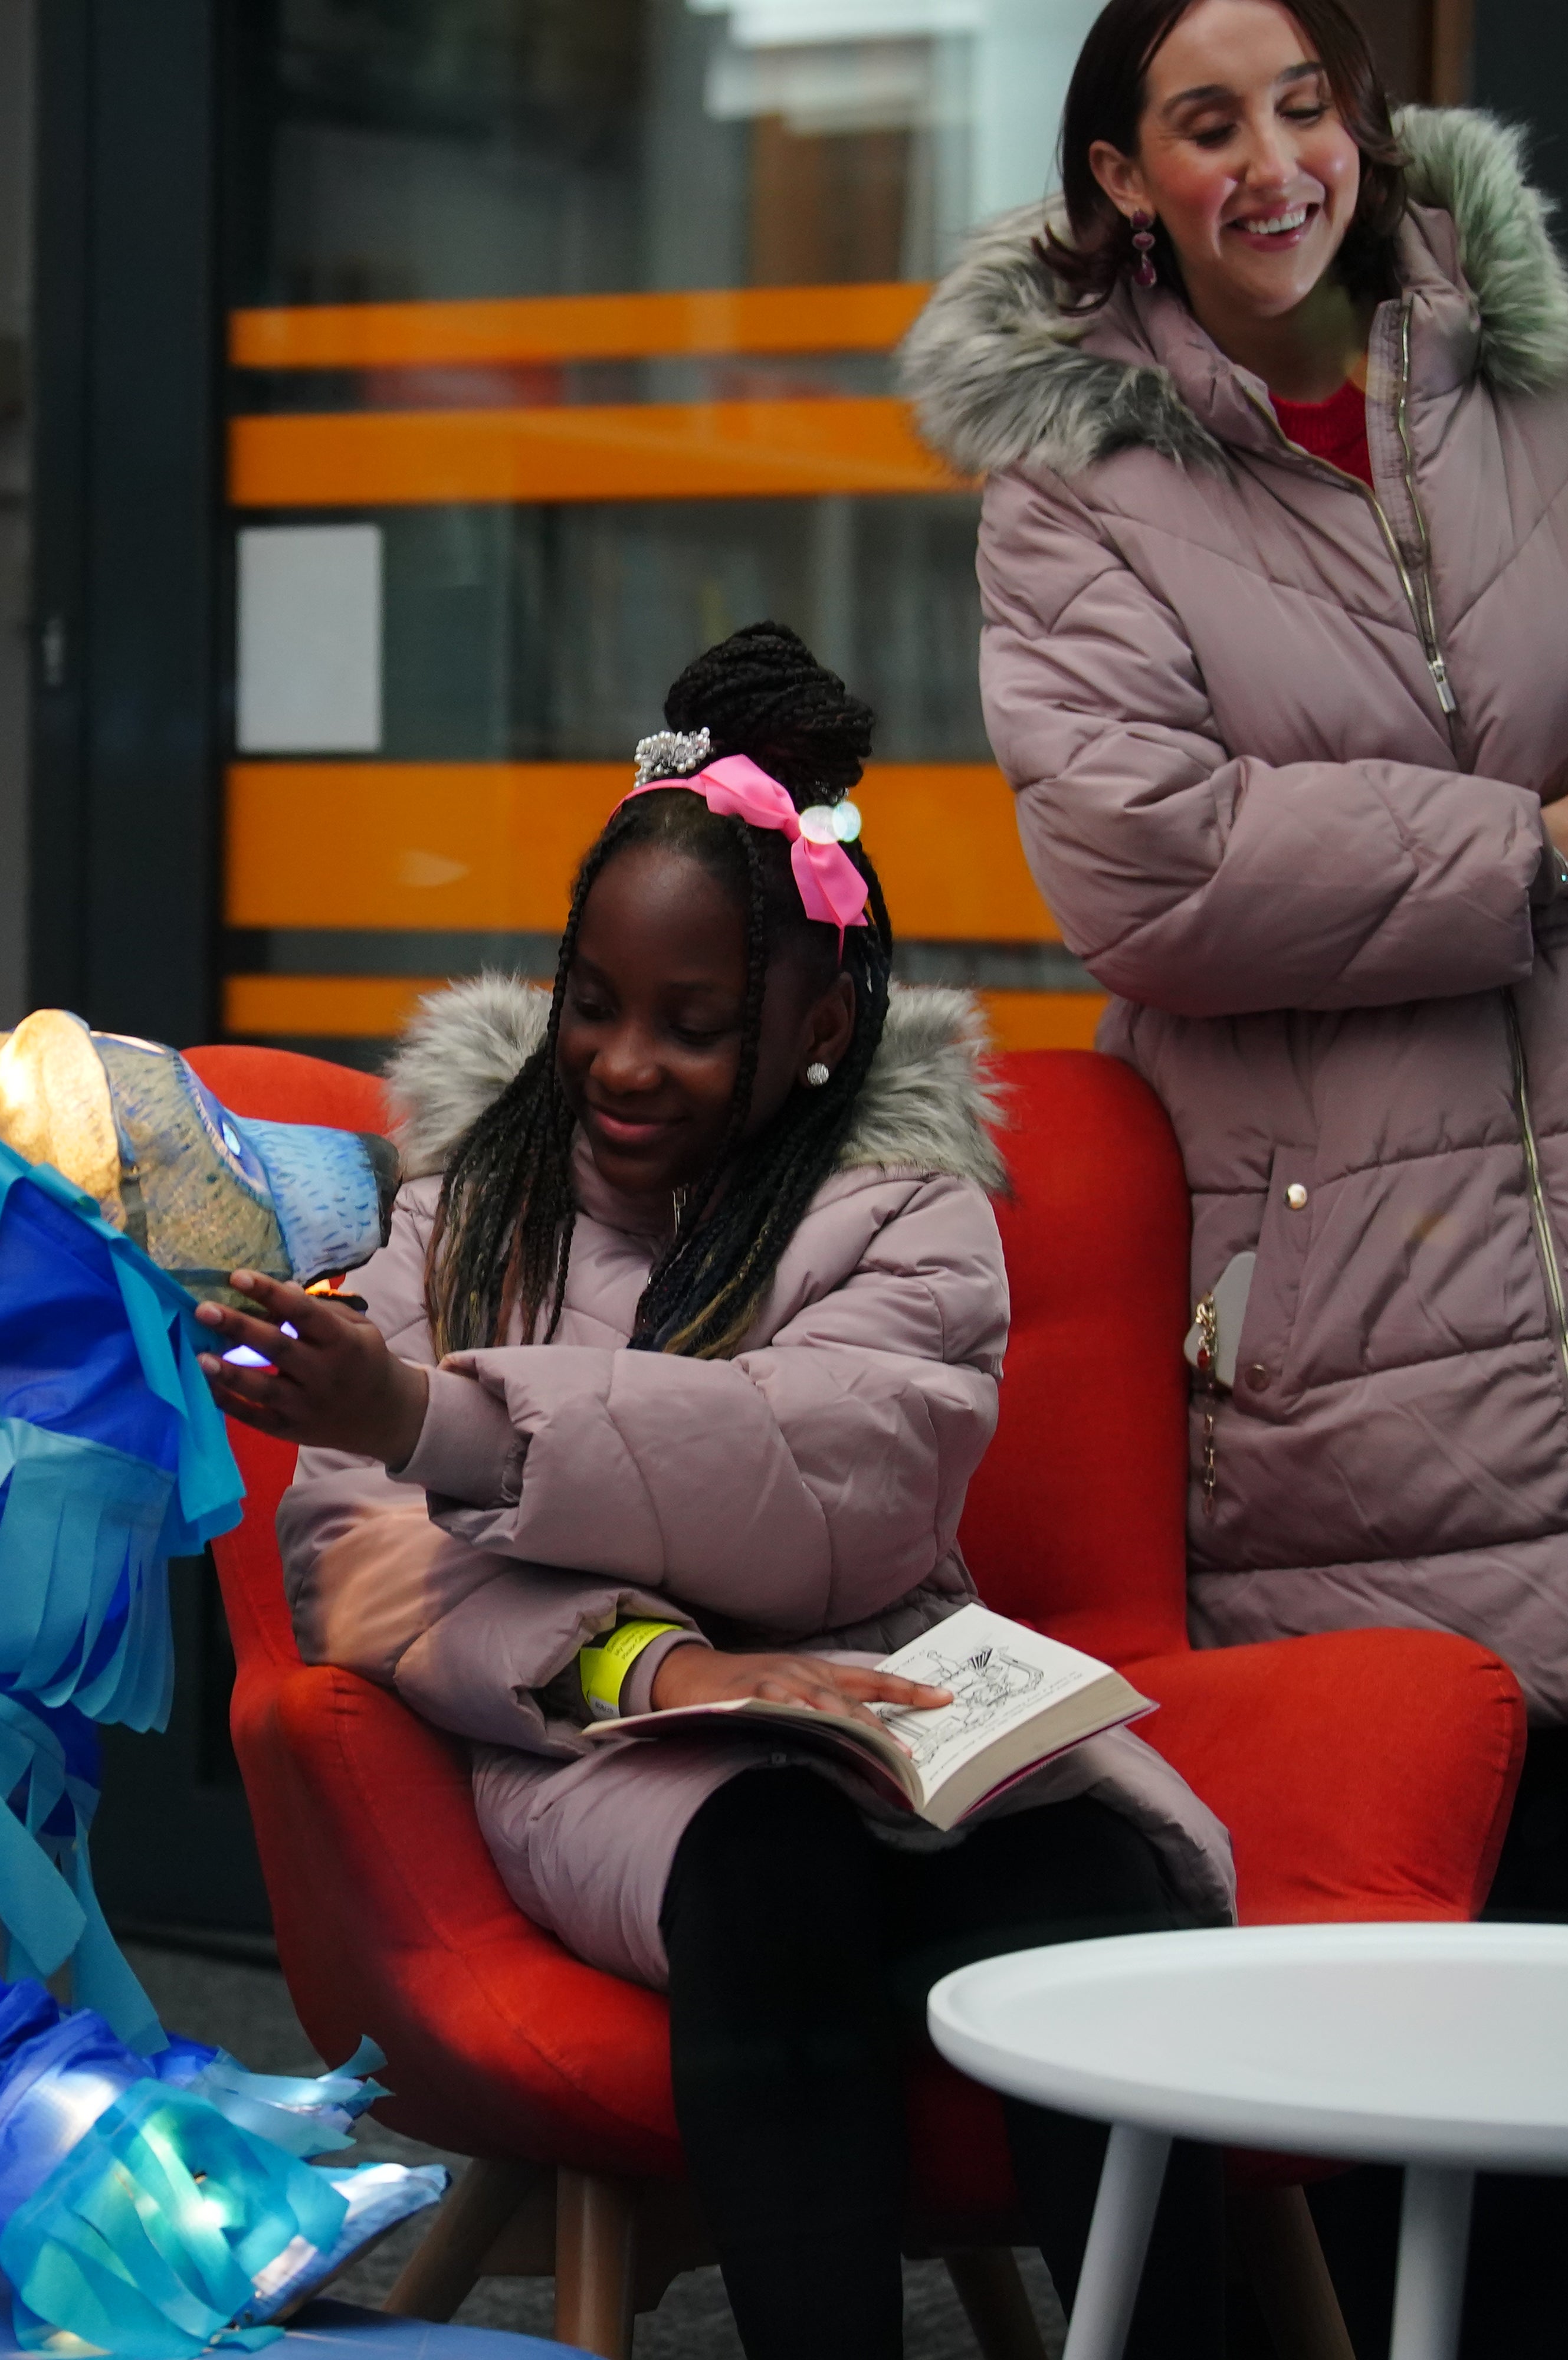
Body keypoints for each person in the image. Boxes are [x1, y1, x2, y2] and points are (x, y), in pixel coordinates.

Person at [898, 0, 1568, 2346]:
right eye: (1206, 124)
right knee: (1411, 2006)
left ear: (1365, 125)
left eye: (1304, 107)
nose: (1274, 162)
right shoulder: (1079, 478)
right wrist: (1518, 848)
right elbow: (1140, 867)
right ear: (1124, 174)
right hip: (1362, 1329)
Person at [212, 625, 1234, 2360]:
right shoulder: (468, 1225)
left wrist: (445, 1425)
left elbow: (834, 1480)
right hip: (609, 1759)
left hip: (895, 1706)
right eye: (595, 1007)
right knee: (768, 1875)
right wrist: (649, 1670)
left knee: (1098, 1907)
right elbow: (359, 1564)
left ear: (821, 1026)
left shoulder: (912, 1216)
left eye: (693, 1028)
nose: (621, 1065)